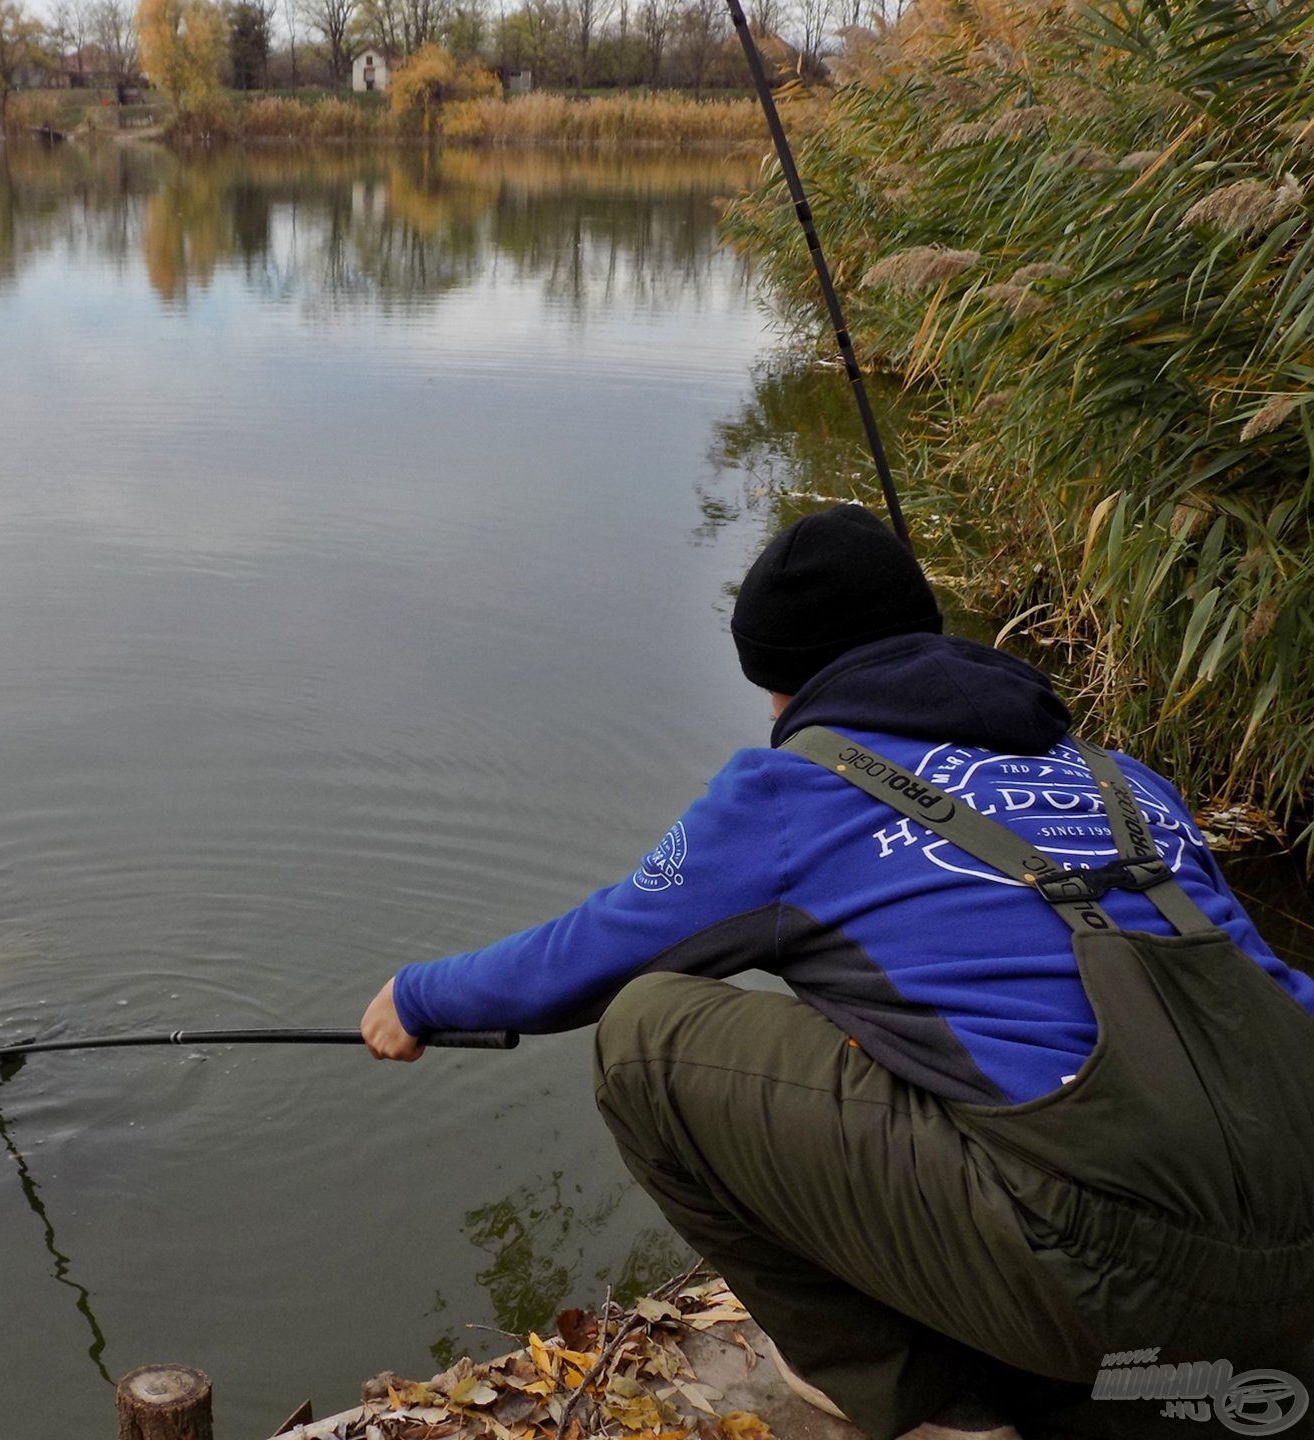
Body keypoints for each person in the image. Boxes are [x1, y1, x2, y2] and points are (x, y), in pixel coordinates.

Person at [359, 504, 1314, 1440]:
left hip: (1112, 1293)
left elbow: (583, 961)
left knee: (645, 1036)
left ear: (782, 682)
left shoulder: (795, 787)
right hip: (1300, 1264)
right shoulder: (1125, 780)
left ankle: (920, 1397)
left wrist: (419, 996)